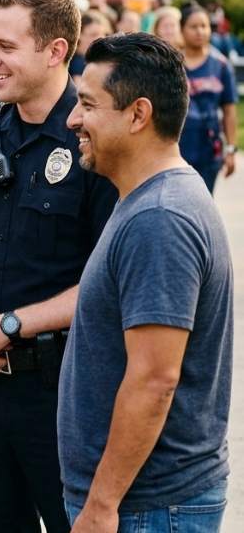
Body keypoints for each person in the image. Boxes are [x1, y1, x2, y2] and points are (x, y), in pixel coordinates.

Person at [0, 0, 118, 533]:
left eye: (5, 47)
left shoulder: (97, 142)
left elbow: (110, 280)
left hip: (66, 394)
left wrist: (7, 327)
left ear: (56, 50)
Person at [60, 33, 233, 532]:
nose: (73, 119)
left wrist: (102, 504)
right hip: (143, 504)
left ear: (138, 114)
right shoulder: (147, 200)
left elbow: (155, 379)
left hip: (148, 507)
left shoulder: (159, 217)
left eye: (88, 104)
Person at [178, 3, 238, 193]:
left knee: (203, 199)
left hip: (209, 148)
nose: (200, 31)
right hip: (177, 147)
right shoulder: (173, 63)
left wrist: (231, 149)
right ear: (182, 29)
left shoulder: (221, 65)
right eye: (193, 26)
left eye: (204, 26)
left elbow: (229, 110)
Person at [69, 12, 112, 80]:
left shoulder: (100, 59)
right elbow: (79, 85)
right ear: (79, 35)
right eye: (93, 34)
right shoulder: (77, 62)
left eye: (103, 34)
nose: (100, 39)